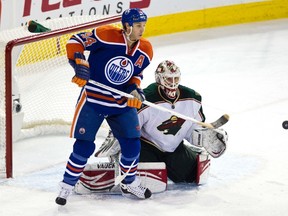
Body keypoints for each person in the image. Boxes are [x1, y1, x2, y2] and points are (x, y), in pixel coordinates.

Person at [55, 8, 153, 205]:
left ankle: (129, 181)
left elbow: (136, 74)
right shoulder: (106, 35)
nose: (142, 30)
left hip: (120, 102)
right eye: (138, 25)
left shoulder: (146, 49)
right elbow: (76, 41)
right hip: (93, 99)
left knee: (132, 144)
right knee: (84, 147)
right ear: (127, 25)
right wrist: (80, 64)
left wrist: (135, 90)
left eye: (144, 25)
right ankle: (66, 186)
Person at [95, 60, 228, 184]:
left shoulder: (192, 98)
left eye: (176, 78)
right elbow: (130, 128)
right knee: (148, 181)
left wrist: (204, 137)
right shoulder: (147, 98)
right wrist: (122, 145)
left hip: (174, 148)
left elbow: (192, 129)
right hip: (147, 146)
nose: (173, 83)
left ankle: (188, 152)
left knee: (191, 176)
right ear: (159, 79)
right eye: (169, 79)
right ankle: (124, 160)